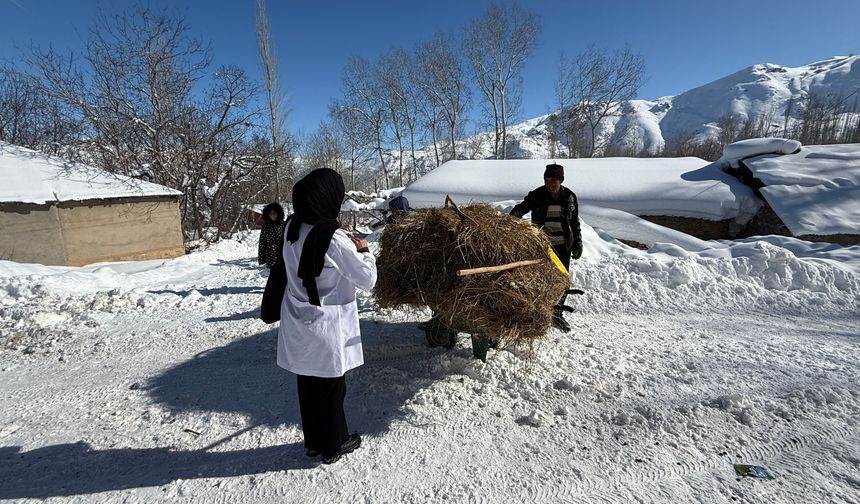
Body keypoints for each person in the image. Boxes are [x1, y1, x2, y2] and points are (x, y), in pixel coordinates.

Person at [277, 168, 377, 465]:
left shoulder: (292, 226)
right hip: (326, 322)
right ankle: (334, 445)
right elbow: (367, 279)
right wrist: (365, 250)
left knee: (307, 383)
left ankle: (313, 443)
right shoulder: (333, 238)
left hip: (298, 318)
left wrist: (338, 234)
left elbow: (315, 245)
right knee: (332, 387)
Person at [509, 163, 582, 332]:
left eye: (553, 180)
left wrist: (578, 243)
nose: (549, 184)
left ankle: (556, 314)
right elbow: (520, 210)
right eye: (546, 180)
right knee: (540, 279)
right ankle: (537, 312)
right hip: (543, 246)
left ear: (561, 180)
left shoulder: (570, 197)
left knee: (563, 280)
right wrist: (511, 221)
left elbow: (574, 222)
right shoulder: (537, 195)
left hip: (563, 246)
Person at [258, 202, 285, 268]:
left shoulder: (284, 225)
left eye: (274, 213)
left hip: (283, 256)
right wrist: (262, 259)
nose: (272, 215)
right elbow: (262, 242)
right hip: (270, 258)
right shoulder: (265, 226)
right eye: (270, 213)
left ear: (278, 213)